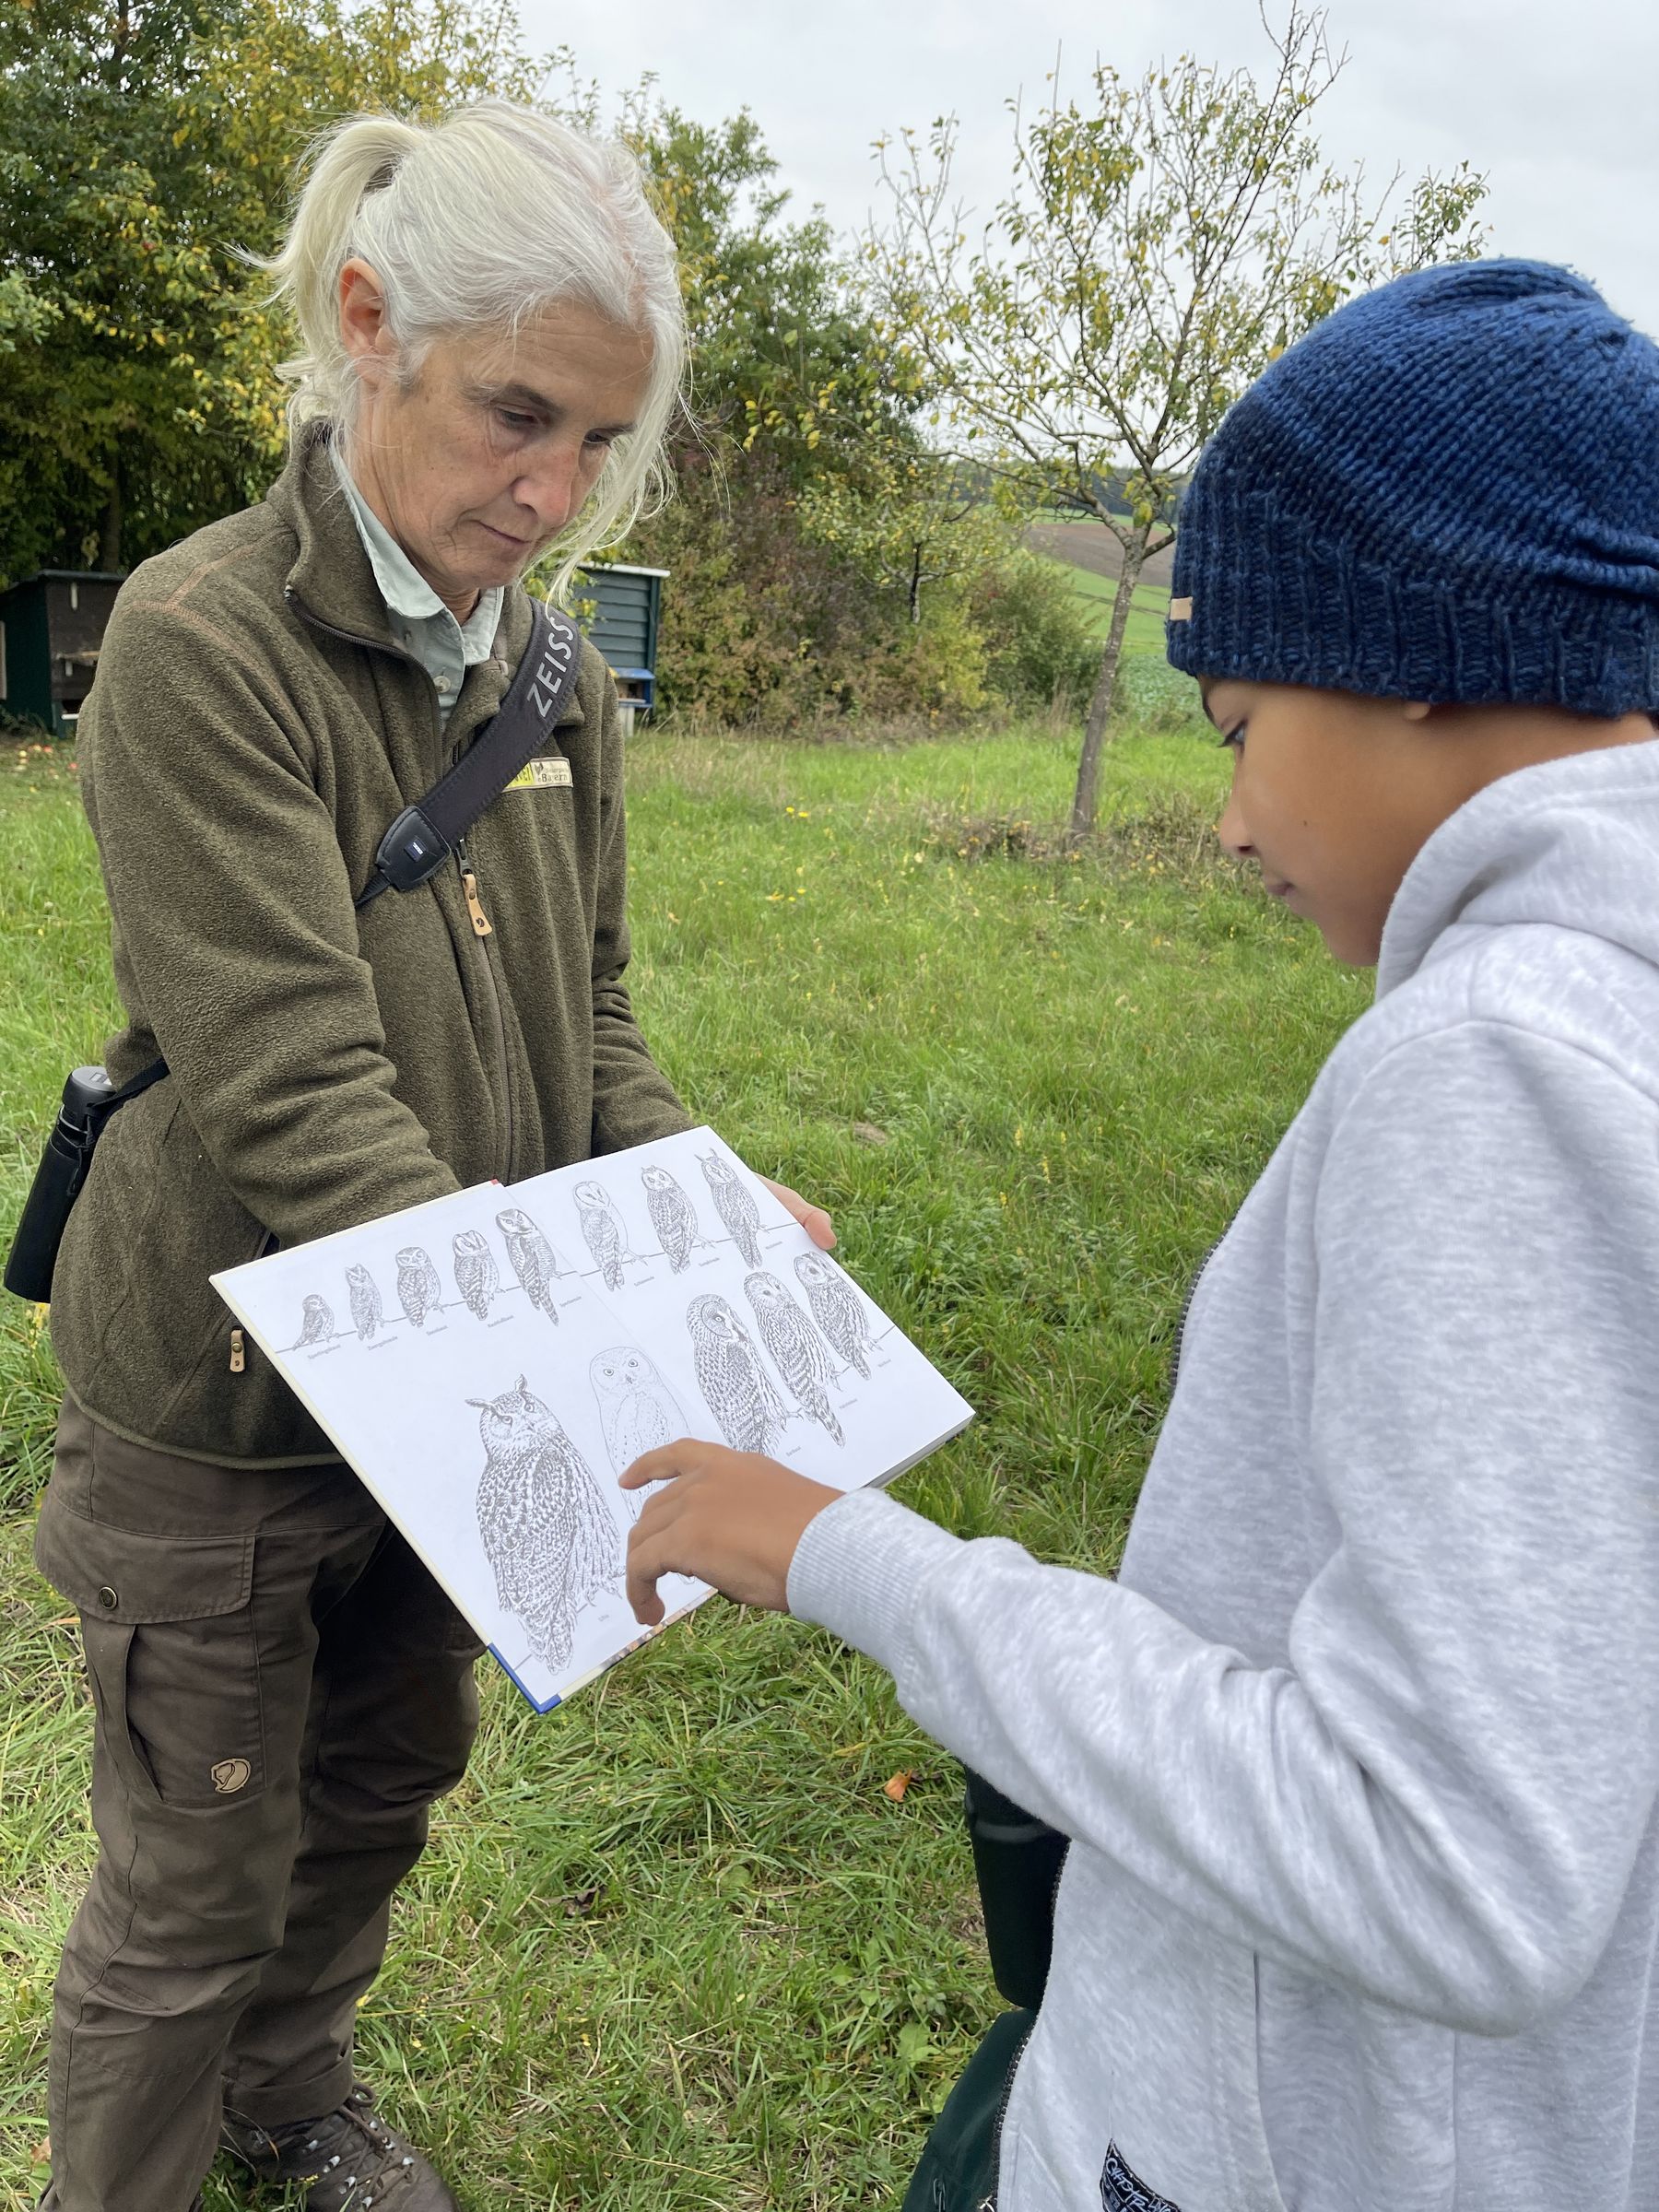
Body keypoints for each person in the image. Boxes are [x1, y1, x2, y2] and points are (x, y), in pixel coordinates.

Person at [621, 259, 1659, 2211]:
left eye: (1240, 719)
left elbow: (1452, 1868)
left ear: (1418, 644)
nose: (1231, 820)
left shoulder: (1497, 1069)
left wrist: (861, 1562)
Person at [34, 100, 830, 2212]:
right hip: (230, 1405)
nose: (554, 493)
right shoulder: (204, 649)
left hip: (456, 1391)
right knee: (192, 1873)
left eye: (600, 446)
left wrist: (705, 1221)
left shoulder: (558, 671)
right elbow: (296, 1088)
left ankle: (290, 2112)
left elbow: (599, 1025)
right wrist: (583, 1354)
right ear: (370, 325)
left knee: (379, 1786)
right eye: (516, 419)